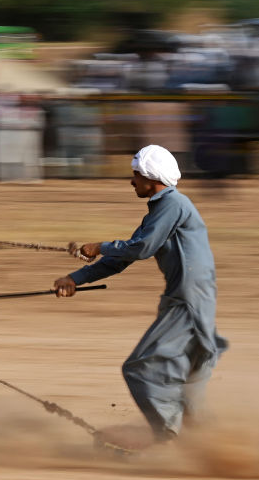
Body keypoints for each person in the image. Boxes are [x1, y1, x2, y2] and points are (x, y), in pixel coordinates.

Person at [53, 144, 228, 446]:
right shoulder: (163, 210)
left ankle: (168, 442)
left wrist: (100, 245)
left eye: (136, 175)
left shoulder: (173, 205)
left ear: (151, 177)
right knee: (187, 383)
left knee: (138, 369)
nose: (132, 181)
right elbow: (123, 259)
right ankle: (209, 449)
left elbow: (140, 248)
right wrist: (75, 279)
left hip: (187, 302)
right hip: (192, 300)